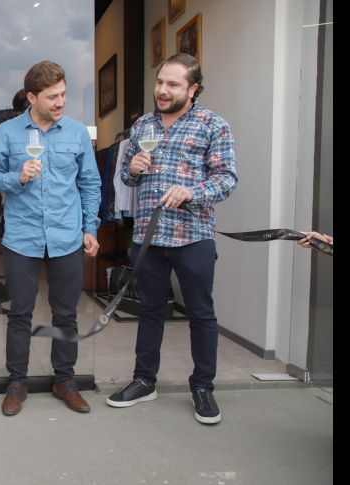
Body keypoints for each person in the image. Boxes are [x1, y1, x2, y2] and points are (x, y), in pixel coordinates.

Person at [108, 53, 238, 425]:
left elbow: (227, 178)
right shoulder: (141, 127)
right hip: (148, 237)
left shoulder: (214, 125)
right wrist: (132, 169)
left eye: (173, 84)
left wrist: (192, 192)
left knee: (201, 313)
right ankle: (144, 380)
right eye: (160, 82)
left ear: (193, 89)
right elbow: (130, 181)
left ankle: (202, 387)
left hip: (193, 236)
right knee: (149, 311)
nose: (162, 90)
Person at [0, 60, 101, 416]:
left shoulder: (78, 133)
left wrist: (90, 228)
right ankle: (17, 382)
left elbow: (90, 185)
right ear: (32, 97)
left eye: (63, 94)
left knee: (66, 314)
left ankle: (64, 380)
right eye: (53, 96)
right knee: (20, 313)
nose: (61, 102)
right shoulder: (7, 133)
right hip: (22, 237)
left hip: (67, 236)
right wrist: (15, 178)